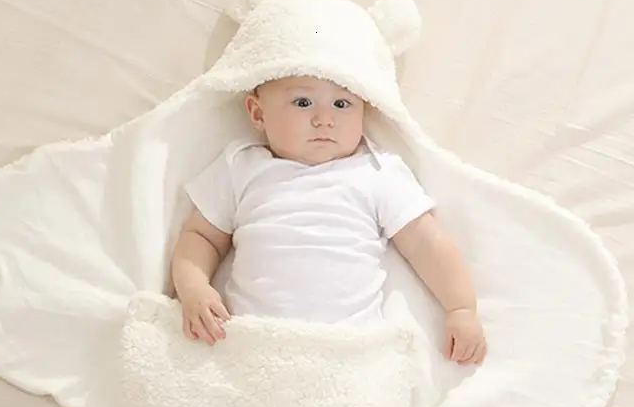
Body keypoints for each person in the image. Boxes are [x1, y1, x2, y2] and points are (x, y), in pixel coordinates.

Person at [171, 75, 487, 365]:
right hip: (252, 342)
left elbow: (425, 241)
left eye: (342, 104)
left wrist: (460, 307)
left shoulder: (376, 172)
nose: (324, 119)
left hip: (348, 347)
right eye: (303, 102)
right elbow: (202, 236)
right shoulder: (240, 166)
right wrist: (193, 286)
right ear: (258, 113)